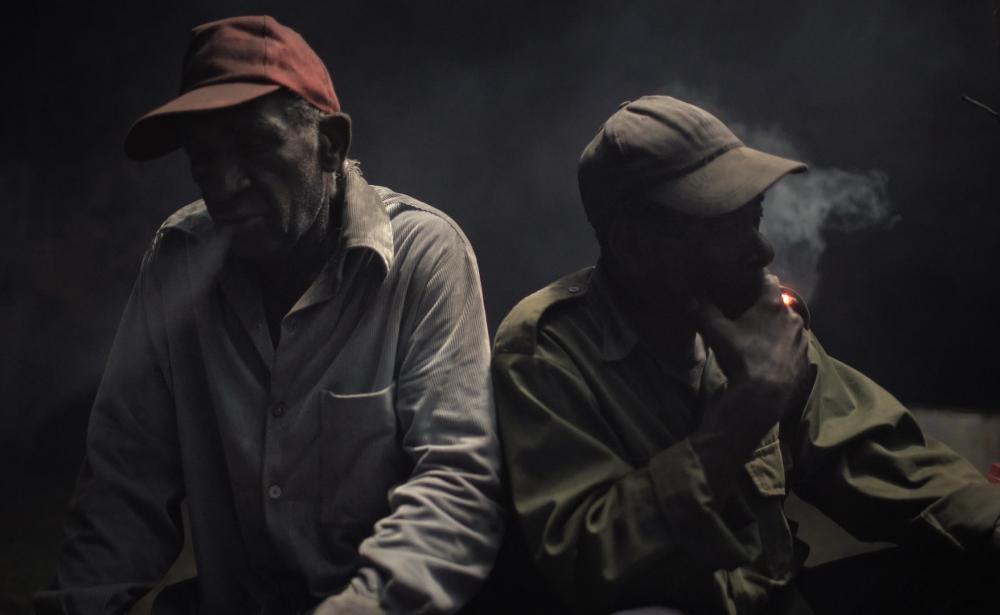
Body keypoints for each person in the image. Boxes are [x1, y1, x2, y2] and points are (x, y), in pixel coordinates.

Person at [35, 15, 503, 615]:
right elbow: (124, 488)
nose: (225, 183)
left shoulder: (423, 257)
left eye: (254, 145)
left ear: (330, 143)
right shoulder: (178, 259)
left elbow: (456, 487)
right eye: (203, 159)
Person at [491, 95, 1000, 614]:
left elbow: (880, 459)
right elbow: (591, 560)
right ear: (633, 246)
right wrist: (744, 412)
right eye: (723, 229)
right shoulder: (547, 350)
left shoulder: (752, 318)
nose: (762, 251)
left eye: (753, 219)